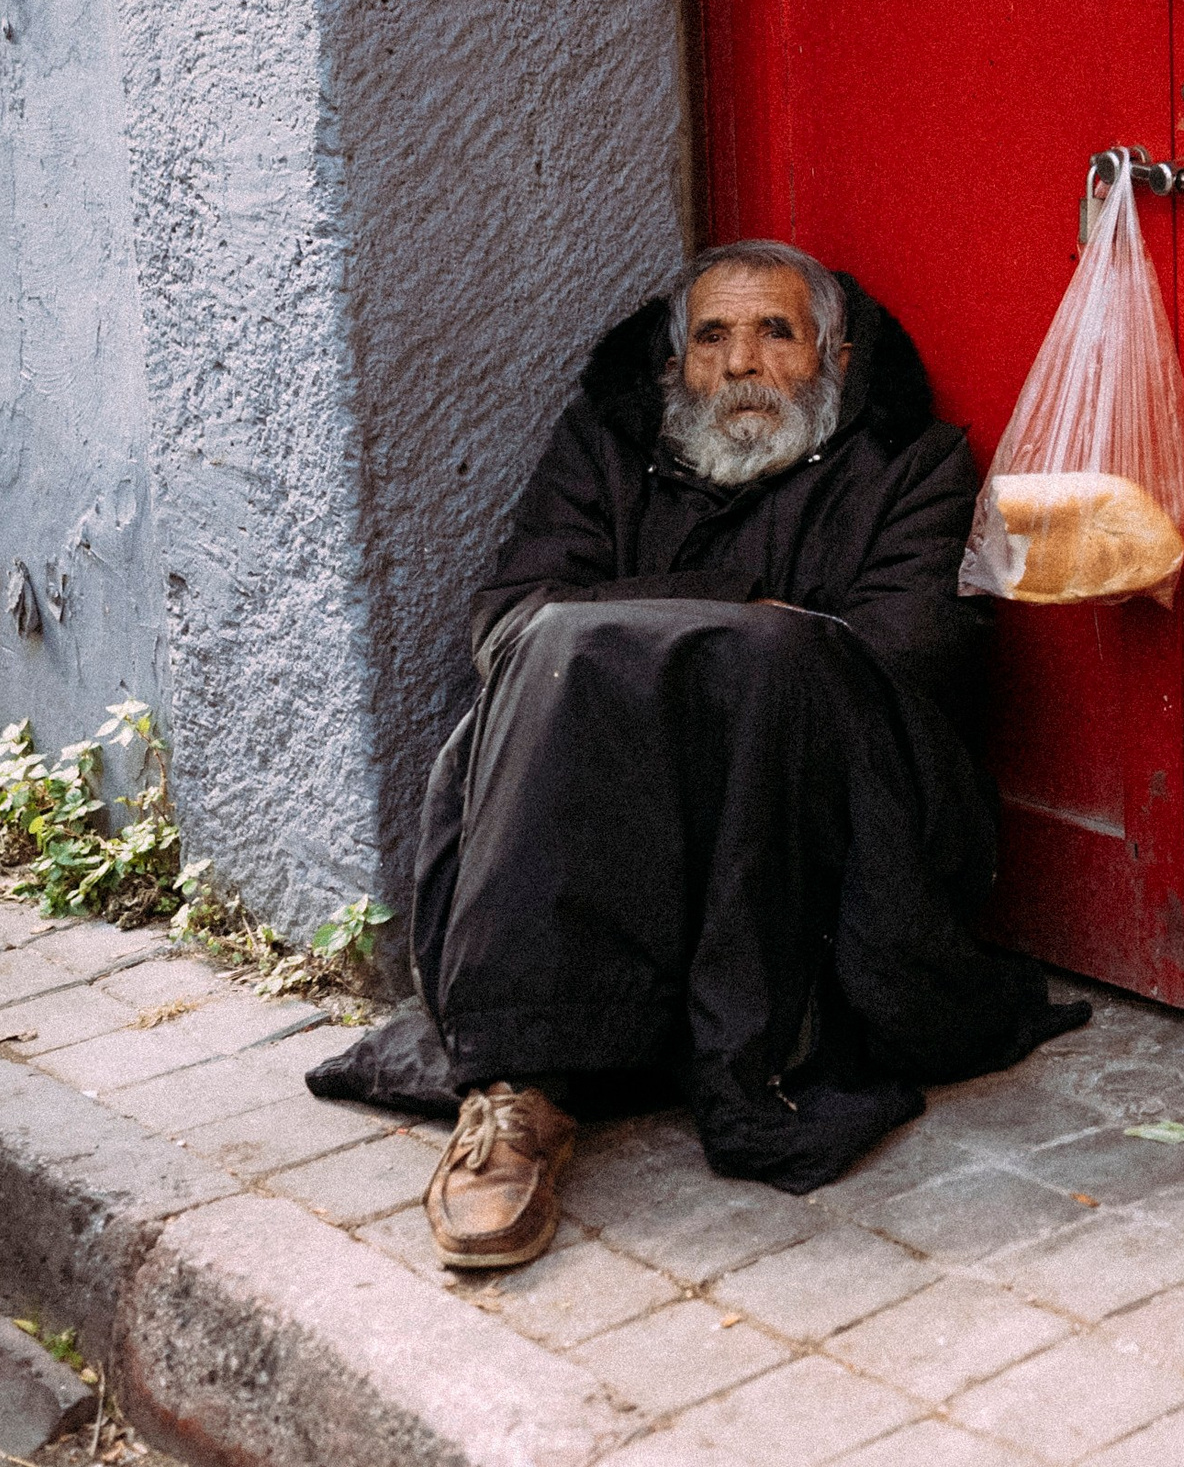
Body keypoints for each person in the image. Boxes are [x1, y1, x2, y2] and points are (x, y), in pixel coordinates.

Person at [310, 241, 1084, 1269]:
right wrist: (726, 611)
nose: (741, 362)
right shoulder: (607, 449)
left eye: (777, 332)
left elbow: (904, 658)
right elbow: (508, 621)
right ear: (677, 366)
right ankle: (519, 1091)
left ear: (837, 359)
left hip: (819, 825)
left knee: (774, 655)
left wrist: (714, 642)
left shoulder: (914, 464)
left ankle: (738, 1051)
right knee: (554, 653)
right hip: (614, 813)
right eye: (711, 336)